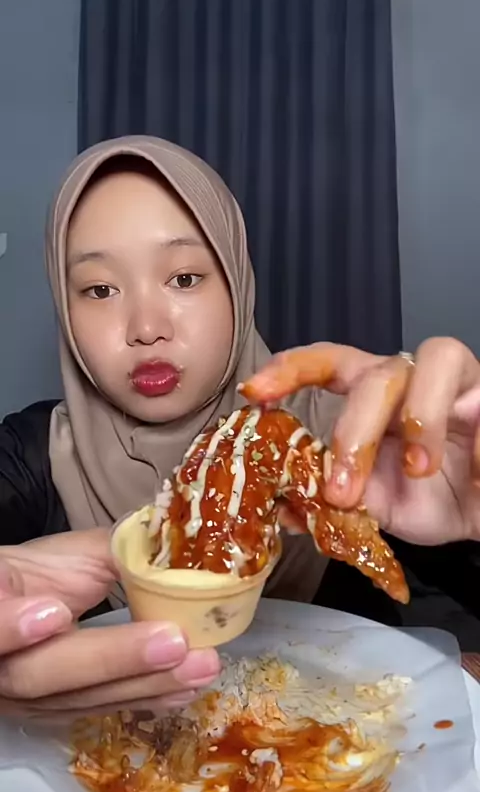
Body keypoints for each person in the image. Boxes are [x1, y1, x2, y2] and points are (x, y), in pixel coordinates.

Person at [0, 135, 479, 721]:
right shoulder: (31, 456)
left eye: (184, 278)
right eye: (100, 289)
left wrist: (471, 505)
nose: (145, 326)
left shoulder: (358, 445)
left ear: (237, 280)